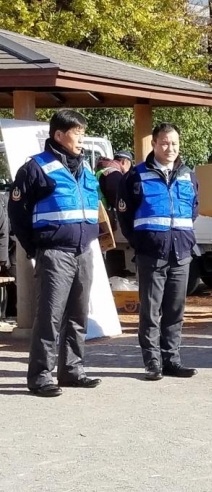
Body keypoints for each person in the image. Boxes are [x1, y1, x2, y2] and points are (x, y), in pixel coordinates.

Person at [8, 109, 101, 397]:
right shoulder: (35, 168)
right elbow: (17, 213)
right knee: (49, 316)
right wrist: (36, 248)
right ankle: (40, 376)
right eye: (77, 133)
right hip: (54, 253)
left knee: (78, 314)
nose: (81, 139)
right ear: (59, 135)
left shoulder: (85, 169)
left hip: (83, 251)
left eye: (83, 133)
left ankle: (72, 370)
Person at [118, 122, 199, 380]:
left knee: (175, 311)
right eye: (164, 142)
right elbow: (124, 214)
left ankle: (172, 359)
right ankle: (152, 363)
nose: (170, 148)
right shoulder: (135, 175)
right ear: (153, 144)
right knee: (151, 312)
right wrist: (142, 242)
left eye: (174, 143)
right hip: (151, 253)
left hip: (181, 252)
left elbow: (193, 209)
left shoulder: (189, 174)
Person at [96, 152, 133, 230]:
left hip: (99, 215)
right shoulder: (114, 173)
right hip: (105, 218)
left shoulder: (103, 170)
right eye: (129, 166)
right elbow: (118, 199)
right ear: (124, 162)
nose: (129, 170)